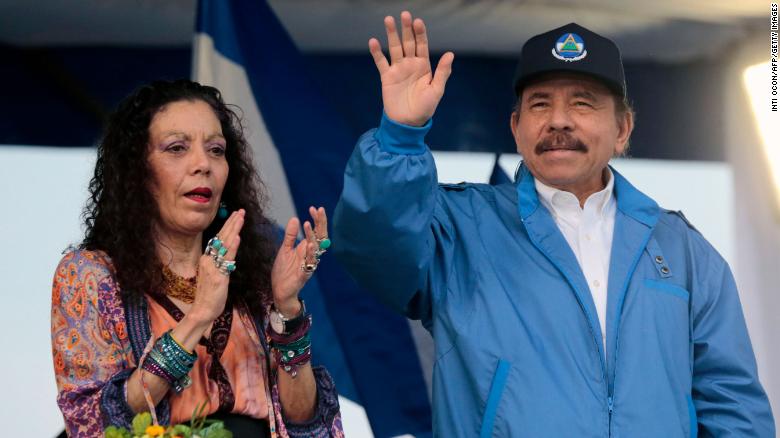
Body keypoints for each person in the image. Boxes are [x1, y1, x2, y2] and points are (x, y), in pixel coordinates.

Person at [333, 12, 775, 436]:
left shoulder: (683, 251)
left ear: (623, 129)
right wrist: (400, 136)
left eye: (582, 103)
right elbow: (375, 252)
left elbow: (732, 405)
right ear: (516, 127)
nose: (559, 121)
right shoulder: (459, 228)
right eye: (540, 104)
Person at [51, 79, 343, 437]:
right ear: (137, 173)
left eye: (217, 150)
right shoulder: (91, 275)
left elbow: (305, 423)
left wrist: (286, 309)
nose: (203, 164)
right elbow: (94, 422)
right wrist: (199, 315)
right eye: (176, 148)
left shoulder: (252, 275)